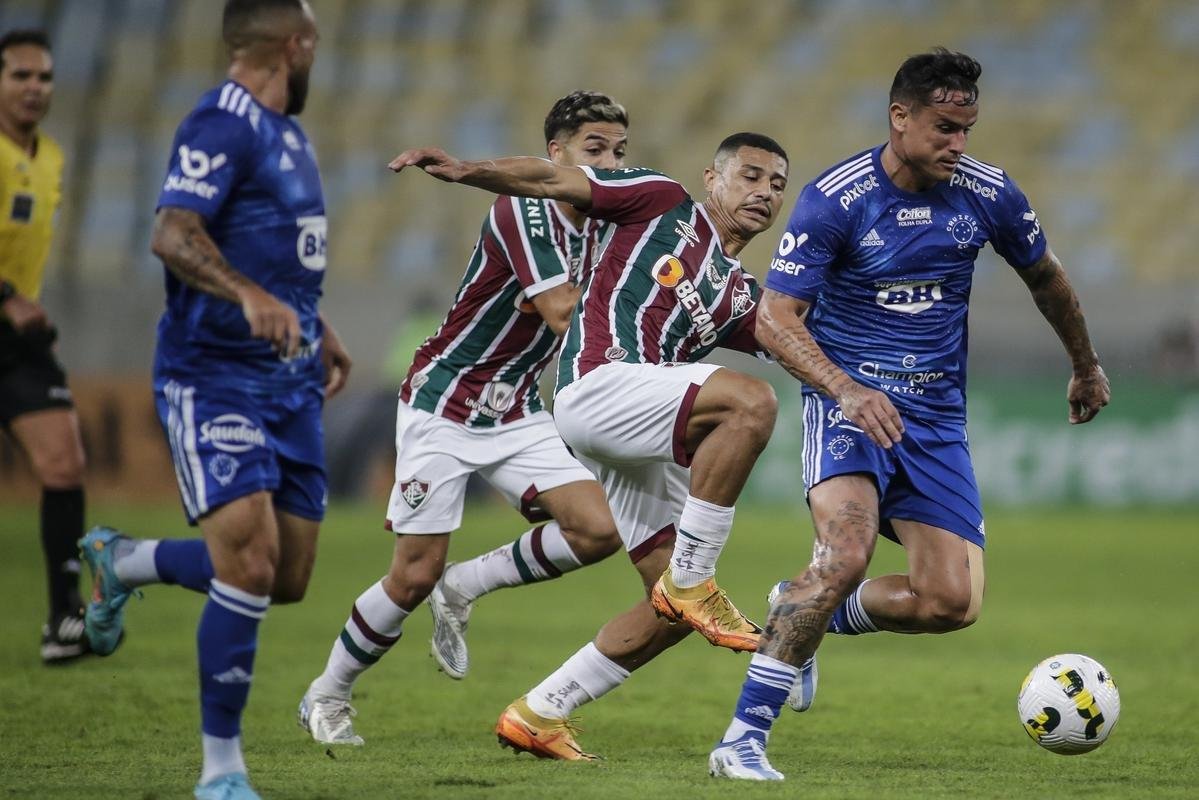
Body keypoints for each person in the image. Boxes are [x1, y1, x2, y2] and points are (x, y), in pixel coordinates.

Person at [707, 48, 1110, 781]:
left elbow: (1046, 278)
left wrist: (1084, 364)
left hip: (934, 420)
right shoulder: (837, 199)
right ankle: (741, 740)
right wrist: (846, 390)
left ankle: (801, 610)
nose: (959, 143)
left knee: (950, 602)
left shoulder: (988, 194)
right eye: (944, 128)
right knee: (845, 555)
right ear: (899, 117)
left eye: (967, 128)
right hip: (849, 407)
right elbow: (775, 317)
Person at [388, 130, 790, 760]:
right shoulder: (662, 201)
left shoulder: (739, 294)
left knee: (671, 612)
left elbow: (804, 339)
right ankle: (694, 579)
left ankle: (540, 712)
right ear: (712, 179)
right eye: (751, 175)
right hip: (600, 384)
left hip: (639, 425)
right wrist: (469, 170)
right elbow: (552, 180)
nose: (764, 191)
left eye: (777, 185)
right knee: (752, 403)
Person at [296, 91, 629, 746]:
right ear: (555, 154)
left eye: (620, 152)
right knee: (411, 574)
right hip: (445, 403)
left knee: (596, 530)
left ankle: (464, 586)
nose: (610, 165)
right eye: (595, 150)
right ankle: (326, 694)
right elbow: (563, 313)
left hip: (515, 406)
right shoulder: (522, 210)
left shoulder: (605, 221)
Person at [77, 2, 350, 798]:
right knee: (251, 561)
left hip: (290, 379)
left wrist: (316, 325)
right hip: (213, 376)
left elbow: (277, 251)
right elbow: (172, 232)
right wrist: (246, 296)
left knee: (286, 576)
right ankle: (221, 772)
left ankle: (123, 561)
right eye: (312, 43)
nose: (315, 56)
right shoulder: (220, 121)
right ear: (294, 46)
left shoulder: (287, 132)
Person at [0, 29, 89, 664]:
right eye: (20, 75)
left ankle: (63, 619)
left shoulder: (50, 157)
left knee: (65, 463)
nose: (35, 88)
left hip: (17, 339)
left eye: (44, 77)